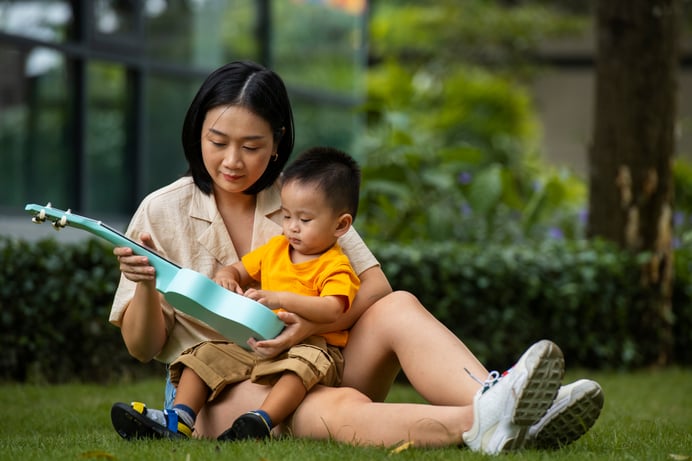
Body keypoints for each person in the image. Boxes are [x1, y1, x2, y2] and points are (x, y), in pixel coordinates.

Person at [108, 60, 604, 454]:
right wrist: (148, 284)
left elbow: (375, 288)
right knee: (330, 404)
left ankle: (499, 398)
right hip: (222, 384)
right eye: (217, 142)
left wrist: (310, 327)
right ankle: (488, 423)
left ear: (278, 146)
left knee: (399, 305)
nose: (232, 161)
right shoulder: (161, 210)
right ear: (197, 133)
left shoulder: (302, 195)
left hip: (317, 355)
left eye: (251, 146)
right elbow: (143, 346)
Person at [111, 146, 362, 441]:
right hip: (257, 343)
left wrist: (281, 299)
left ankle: (261, 420)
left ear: (341, 225)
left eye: (304, 220)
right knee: (204, 353)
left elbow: (333, 309)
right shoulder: (278, 248)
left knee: (299, 368)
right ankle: (178, 417)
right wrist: (225, 276)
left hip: (312, 345)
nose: (292, 228)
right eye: (287, 216)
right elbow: (239, 269)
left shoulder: (336, 265)